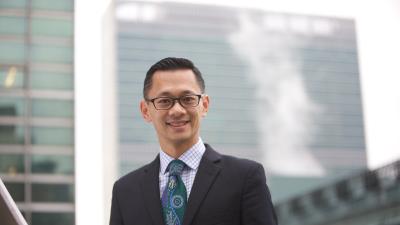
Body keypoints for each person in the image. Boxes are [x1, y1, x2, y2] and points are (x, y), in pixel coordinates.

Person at [109, 57, 278, 225]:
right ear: (145, 111)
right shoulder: (125, 191)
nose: (177, 110)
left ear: (204, 105)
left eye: (188, 99)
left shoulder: (245, 178)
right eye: (164, 101)